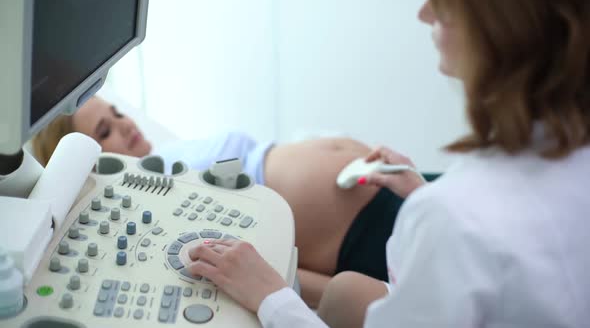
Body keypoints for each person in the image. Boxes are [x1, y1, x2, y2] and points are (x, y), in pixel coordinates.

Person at [182, 0, 590, 327]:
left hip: (375, 233)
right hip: (405, 218)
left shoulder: (457, 218)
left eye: (445, 4)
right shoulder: (564, 154)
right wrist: (425, 196)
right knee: (344, 292)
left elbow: (479, 239)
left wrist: (270, 296)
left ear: (498, 30)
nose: (424, 12)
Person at [32, 95, 431, 308]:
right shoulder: (162, 204)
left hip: (400, 188)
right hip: (368, 237)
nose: (125, 124)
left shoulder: (175, 154)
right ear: (88, 165)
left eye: (118, 113)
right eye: (106, 129)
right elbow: (275, 270)